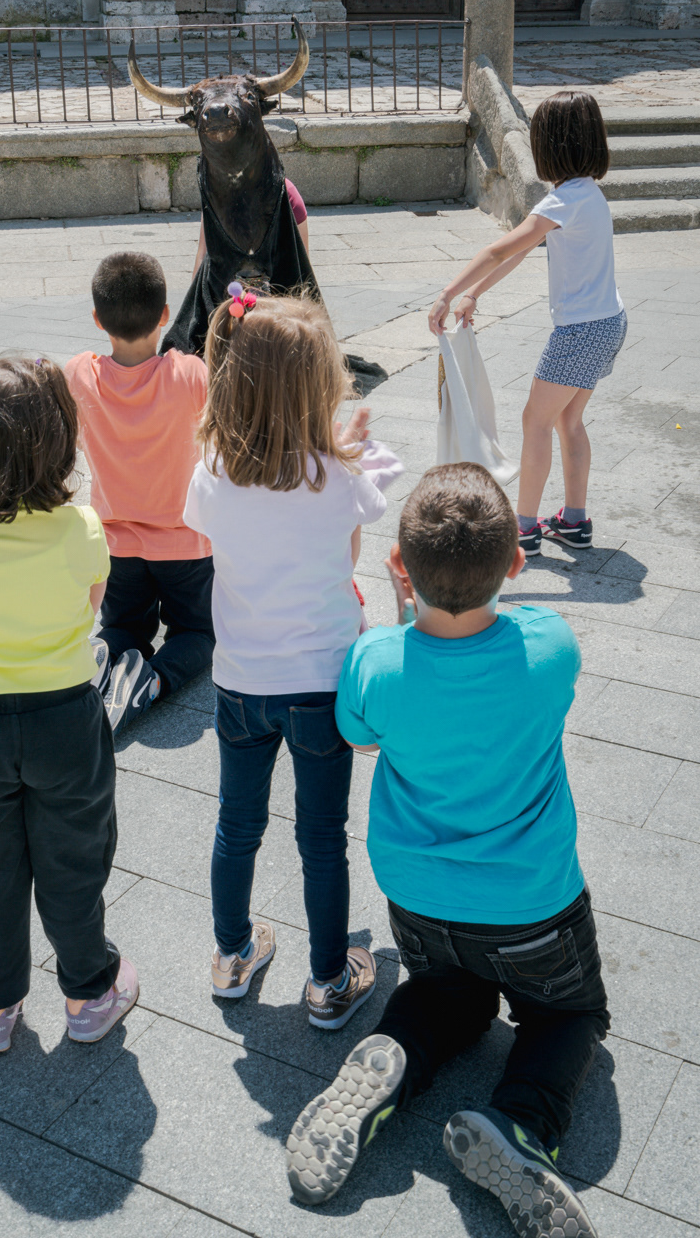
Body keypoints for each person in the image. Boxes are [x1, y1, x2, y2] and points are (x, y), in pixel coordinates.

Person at [285, 463, 609, 1238]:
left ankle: (393, 1054)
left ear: (400, 566)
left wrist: (404, 622)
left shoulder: (375, 659)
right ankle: (520, 1124)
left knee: (445, 997)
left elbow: (362, 736)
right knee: (569, 1017)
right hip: (534, 908)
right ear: (516, 561)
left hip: (420, 902)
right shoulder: (551, 643)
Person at [184, 289, 403, 1028]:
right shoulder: (338, 477)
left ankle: (231, 956)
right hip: (322, 686)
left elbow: (215, 535)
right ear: (320, 390)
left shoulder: (213, 469)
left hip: (241, 681)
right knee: (322, 840)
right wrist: (349, 451)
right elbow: (347, 549)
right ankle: (328, 980)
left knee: (237, 824)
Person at [0, 356, 137, 1055]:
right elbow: (89, 609)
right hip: (61, 715)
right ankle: (89, 995)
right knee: (73, 861)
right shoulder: (80, 527)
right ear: (57, 440)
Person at [427, 90, 626, 556]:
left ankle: (524, 528)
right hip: (609, 323)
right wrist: (475, 293)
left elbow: (499, 249)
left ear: (550, 146)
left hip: (580, 332)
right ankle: (574, 521)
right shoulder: (586, 195)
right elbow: (520, 251)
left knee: (535, 421)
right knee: (569, 420)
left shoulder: (562, 202)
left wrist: (447, 294)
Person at [64, 252, 214, 736]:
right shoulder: (190, 373)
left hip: (115, 544)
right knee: (198, 632)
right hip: (185, 543)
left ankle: (104, 658)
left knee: (123, 627)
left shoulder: (79, 373)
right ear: (165, 314)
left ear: (97, 319)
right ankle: (152, 681)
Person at [190, 177, 310, 279]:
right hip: (228, 286)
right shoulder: (216, 195)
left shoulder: (287, 194)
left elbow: (302, 264)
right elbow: (203, 255)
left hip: (277, 285)